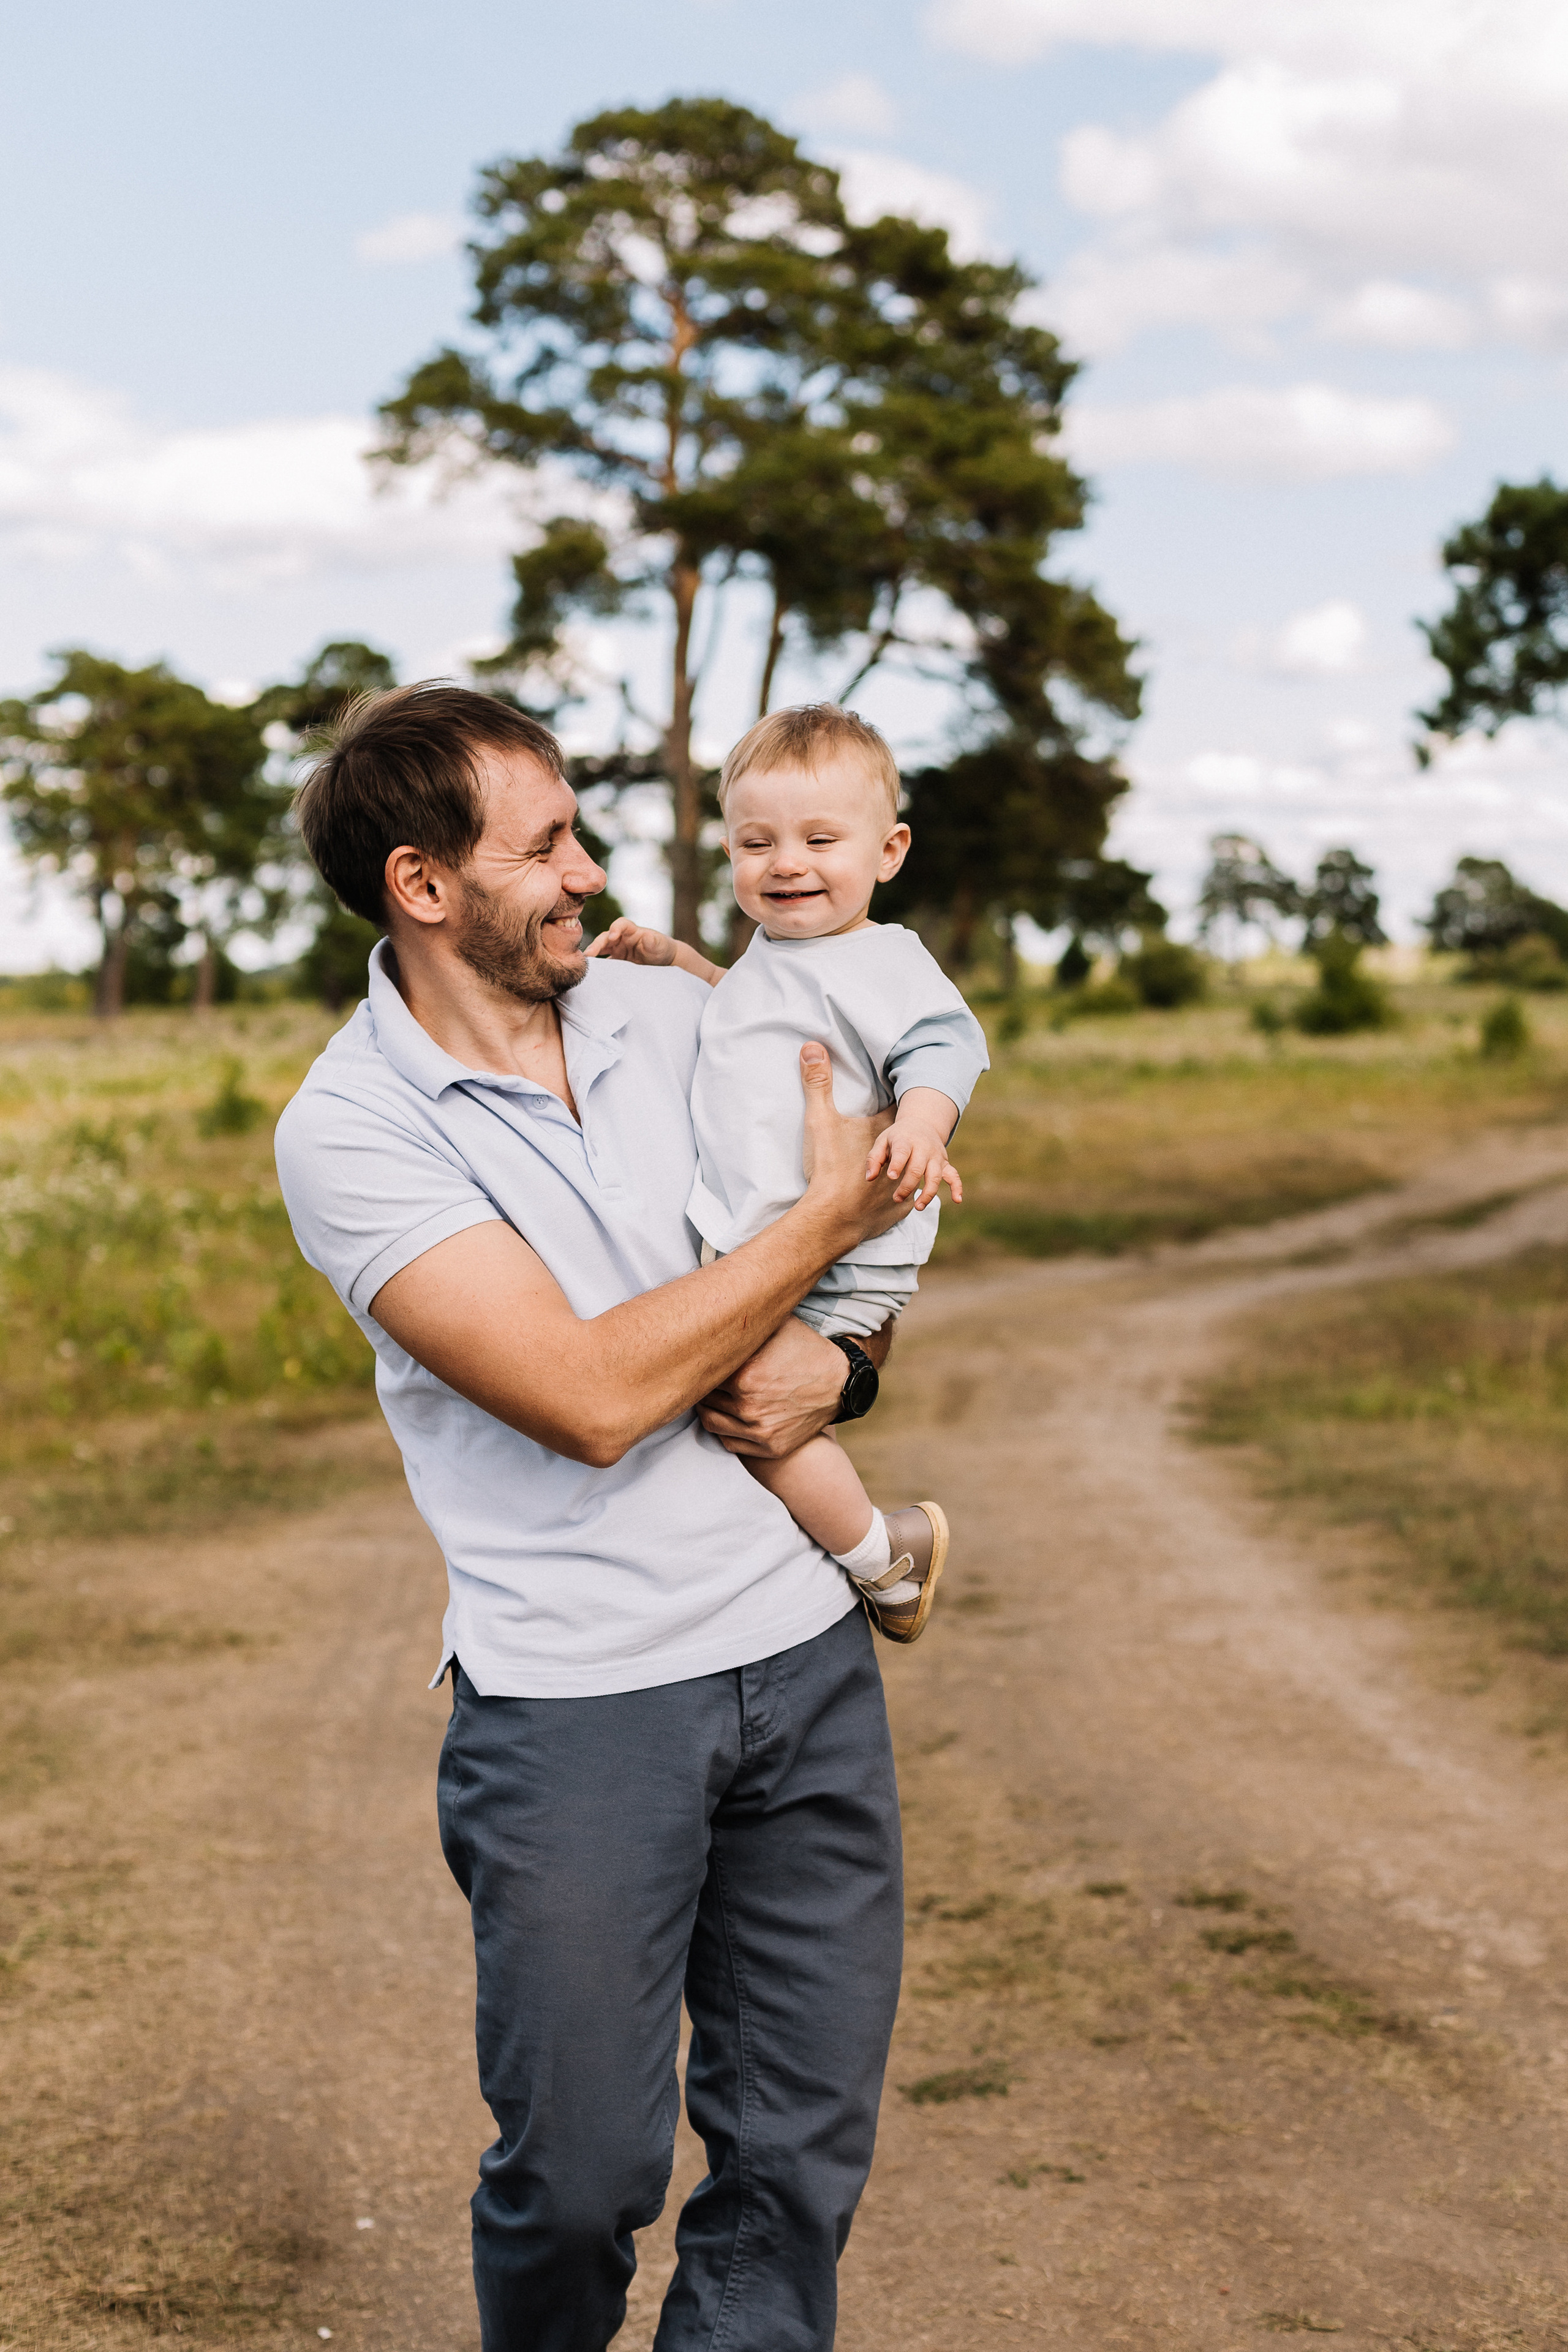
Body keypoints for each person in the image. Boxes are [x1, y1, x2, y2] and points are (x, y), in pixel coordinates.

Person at [272, 683, 918, 2352]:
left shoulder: (670, 1016)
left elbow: (861, 1254)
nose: (587, 870)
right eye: (543, 843)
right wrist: (823, 1224)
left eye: (576, 828)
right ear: (425, 887)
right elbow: (585, 1393)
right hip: (579, 1710)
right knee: (578, 2180)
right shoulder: (351, 1128)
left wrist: (843, 1361)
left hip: (806, 1664)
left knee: (790, 2170)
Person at [590, 703, 989, 1643]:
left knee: (759, 1413)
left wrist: (924, 1129)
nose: (786, 863)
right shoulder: (775, 956)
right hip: (775, 1238)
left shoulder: (887, 961)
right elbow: (747, 1019)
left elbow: (947, 1045)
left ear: (888, 853)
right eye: (756, 842)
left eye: (820, 839)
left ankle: (884, 1560)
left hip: (840, 1253)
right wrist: (677, 958)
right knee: (739, 1403)